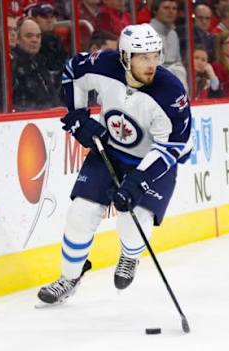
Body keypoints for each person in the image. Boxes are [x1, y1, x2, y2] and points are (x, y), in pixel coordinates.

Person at [37, 23, 192, 305]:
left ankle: (129, 257)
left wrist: (138, 181)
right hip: (108, 150)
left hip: (151, 162)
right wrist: (78, 116)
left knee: (132, 225)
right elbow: (73, 71)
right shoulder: (104, 64)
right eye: (142, 57)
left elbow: (172, 147)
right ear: (124, 57)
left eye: (155, 56)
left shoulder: (171, 92)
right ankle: (69, 277)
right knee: (80, 214)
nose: (151, 64)